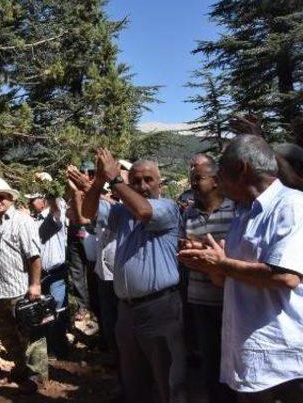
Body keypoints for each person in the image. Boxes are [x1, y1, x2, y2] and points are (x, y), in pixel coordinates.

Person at [178, 135, 303, 403]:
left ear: (242, 169)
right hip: (251, 360)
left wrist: (222, 263)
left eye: (221, 171)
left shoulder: (292, 205)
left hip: (285, 364)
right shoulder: (243, 214)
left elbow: (286, 275)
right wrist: (210, 263)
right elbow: (228, 280)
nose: (218, 179)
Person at [68, 149, 187, 403]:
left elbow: (144, 212)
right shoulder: (122, 213)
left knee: (169, 382)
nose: (142, 186)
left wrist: (116, 180)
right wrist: (99, 181)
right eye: (136, 181)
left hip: (160, 308)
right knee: (135, 382)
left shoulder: (166, 208)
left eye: (148, 180)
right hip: (127, 311)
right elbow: (88, 212)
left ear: (160, 184)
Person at [0, 178, 47, 394]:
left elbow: (34, 255)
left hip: (20, 289)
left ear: (10, 198)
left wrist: (34, 285)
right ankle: (21, 368)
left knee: (31, 335)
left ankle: (37, 376)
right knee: (8, 335)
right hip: (0, 290)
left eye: (1, 197)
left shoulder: (22, 221)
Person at [179, 154, 236, 403]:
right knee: (211, 363)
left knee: (235, 362)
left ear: (215, 181)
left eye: (198, 178)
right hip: (200, 300)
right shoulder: (189, 214)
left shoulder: (236, 209)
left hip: (232, 299)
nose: (193, 184)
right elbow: (183, 250)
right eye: (192, 179)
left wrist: (205, 252)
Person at [25, 192, 69, 360]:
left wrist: (51, 194)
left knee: (58, 310)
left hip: (55, 272)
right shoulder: (32, 220)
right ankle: (47, 348)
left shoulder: (53, 217)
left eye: (33, 200)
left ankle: (60, 348)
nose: (30, 203)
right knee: (42, 313)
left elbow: (56, 212)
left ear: (43, 201)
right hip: (39, 275)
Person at [65, 160, 94, 321]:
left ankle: (94, 306)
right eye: (84, 172)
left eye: (90, 173)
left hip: (90, 233)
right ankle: (82, 306)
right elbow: (68, 212)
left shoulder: (97, 190)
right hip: (75, 233)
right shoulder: (72, 190)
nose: (87, 175)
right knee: (76, 271)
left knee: (92, 271)